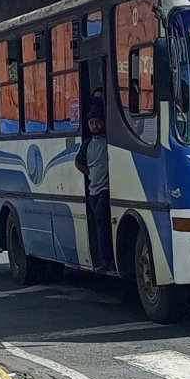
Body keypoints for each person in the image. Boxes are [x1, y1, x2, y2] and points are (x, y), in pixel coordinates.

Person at [75, 105, 112, 271]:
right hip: (94, 191)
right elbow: (78, 163)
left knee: (102, 222)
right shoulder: (87, 145)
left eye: (97, 122)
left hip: (106, 189)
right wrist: (89, 174)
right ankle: (103, 260)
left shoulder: (110, 142)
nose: (94, 125)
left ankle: (107, 261)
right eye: (91, 123)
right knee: (100, 225)